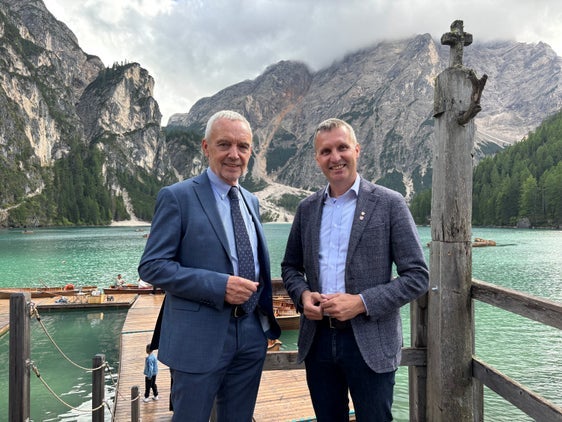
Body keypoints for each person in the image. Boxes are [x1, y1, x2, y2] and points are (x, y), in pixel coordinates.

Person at [281, 118, 429, 422]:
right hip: (318, 341)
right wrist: (303, 295)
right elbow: (290, 267)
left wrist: (361, 303)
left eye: (342, 148)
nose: (335, 157)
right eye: (326, 151)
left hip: (371, 342)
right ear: (317, 158)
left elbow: (417, 277)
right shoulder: (307, 208)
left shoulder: (390, 203)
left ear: (357, 150)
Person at [138, 110, 281, 421]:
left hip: (251, 334)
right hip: (197, 338)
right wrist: (219, 286)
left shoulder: (251, 201)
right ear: (206, 147)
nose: (234, 154)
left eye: (242, 146)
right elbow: (152, 266)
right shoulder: (177, 197)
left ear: (251, 151)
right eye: (224, 144)